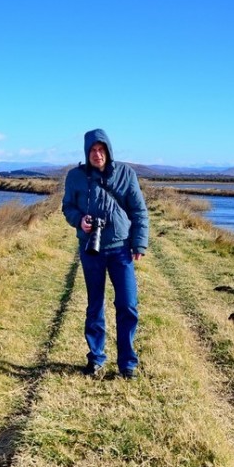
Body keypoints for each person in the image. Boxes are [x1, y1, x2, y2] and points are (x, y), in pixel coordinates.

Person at [62, 128, 149, 379]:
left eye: (101, 150)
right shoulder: (75, 177)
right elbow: (67, 207)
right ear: (86, 153)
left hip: (120, 248)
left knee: (128, 305)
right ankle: (96, 359)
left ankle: (127, 363)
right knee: (95, 304)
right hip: (91, 250)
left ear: (108, 151)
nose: (97, 155)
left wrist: (139, 244)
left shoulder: (125, 173)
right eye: (92, 150)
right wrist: (80, 221)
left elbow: (139, 211)